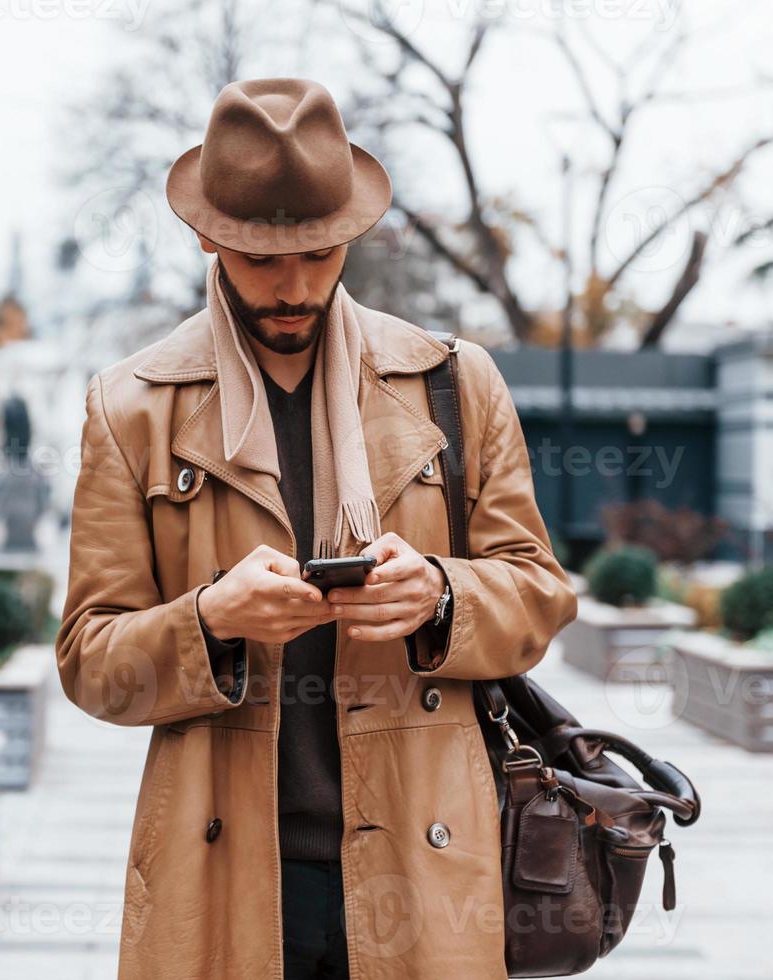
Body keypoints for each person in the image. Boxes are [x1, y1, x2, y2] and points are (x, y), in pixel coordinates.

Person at [55, 77, 577, 980]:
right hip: (224, 874)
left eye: (320, 252)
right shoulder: (130, 406)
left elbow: (539, 594)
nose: (294, 286)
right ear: (209, 237)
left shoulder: (455, 384)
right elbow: (91, 661)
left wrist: (443, 594)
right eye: (263, 258)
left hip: (427, 861)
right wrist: (210, 621)